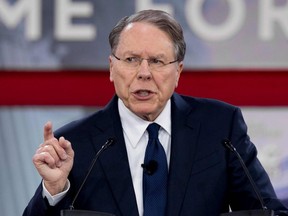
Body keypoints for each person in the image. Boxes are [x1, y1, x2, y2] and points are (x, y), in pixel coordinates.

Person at [23, 9, 287, 216]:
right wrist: (55, 190)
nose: (144, 73)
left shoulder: (220, 128)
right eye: (131, 60)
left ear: (178, 71)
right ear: (112, 68)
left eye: (158, 61)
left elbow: (269, 210)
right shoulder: (75, 143)